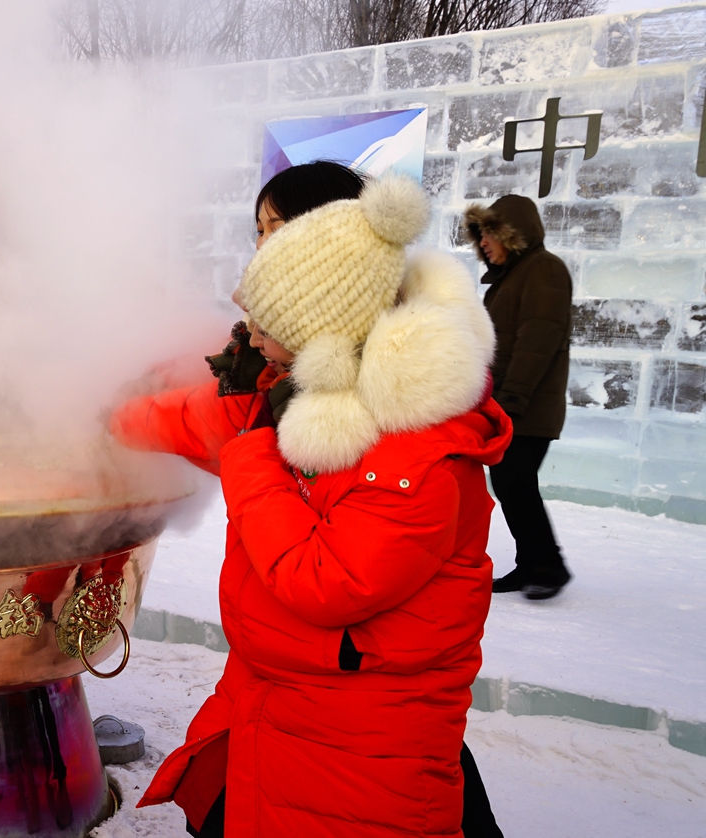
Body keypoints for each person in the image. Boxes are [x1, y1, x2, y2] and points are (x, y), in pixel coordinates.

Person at [113, 164, 510, 837]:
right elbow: (191, 418)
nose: (261, 251)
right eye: (261, 231)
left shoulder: (418, 441)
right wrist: (95, 416)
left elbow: (331, 581)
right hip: (276, 706)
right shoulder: (284, 389)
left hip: (356, 739)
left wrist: (254, 458)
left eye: (279, 229)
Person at [465, 195, 573, 600]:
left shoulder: (544, 270)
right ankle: (531, 564)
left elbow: (536, 344)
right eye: (481, 234)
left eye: (491, 232)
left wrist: (510, 401)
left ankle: (548, 567)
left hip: (527, 407)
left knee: (517, 483)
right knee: (511, 484)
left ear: (513, 233)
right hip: (511, 404)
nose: (484, 242)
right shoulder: (511, 277)